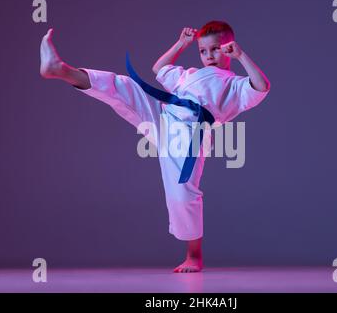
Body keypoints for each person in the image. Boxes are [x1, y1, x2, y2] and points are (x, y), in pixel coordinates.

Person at [40, 20, 270, 273]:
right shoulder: (189, 75)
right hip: (163, 116)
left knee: (182, 192)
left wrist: (241, 56)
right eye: (203, 51)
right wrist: (181, 44)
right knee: (124, 86)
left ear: (228, 47)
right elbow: (159, 68)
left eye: (215, 49)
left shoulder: (235, 84)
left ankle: (194, 256)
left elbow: (262, 86)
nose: (209, 56)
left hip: (190, 134)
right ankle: (60, 69)